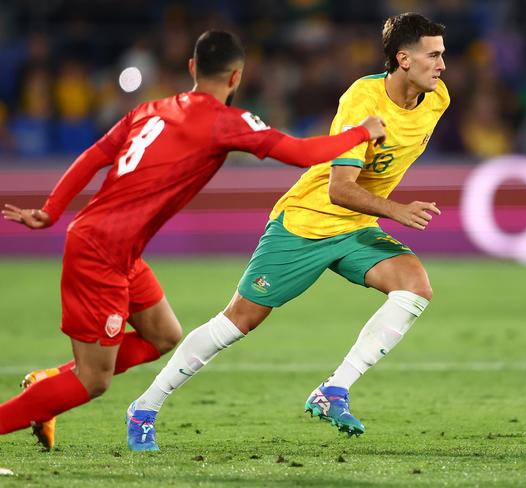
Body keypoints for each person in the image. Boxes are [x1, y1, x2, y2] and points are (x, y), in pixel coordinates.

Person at [0, 30, 385, 450]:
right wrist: (361, 132)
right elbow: (301, 153)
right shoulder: (225, 122)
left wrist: (52, 210)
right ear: (236, 77)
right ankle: (43, 398)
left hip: (116, 249)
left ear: (191, 68)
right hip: (101, 253)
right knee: (94, 380)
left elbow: (95, 155)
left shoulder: (150, 109)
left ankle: (47, 384)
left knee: (163, 335)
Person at [126, 12, 448, 451]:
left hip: (355, 227)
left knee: (414, 285)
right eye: (434, 55)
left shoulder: (437, 99)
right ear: (403, 58)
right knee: (238, 321)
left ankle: (334, 390)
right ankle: (144, 407)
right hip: (306, 222)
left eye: (442, 55)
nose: (443, 65)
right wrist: (397, 210)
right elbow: (339, 189)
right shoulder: (362, 101)